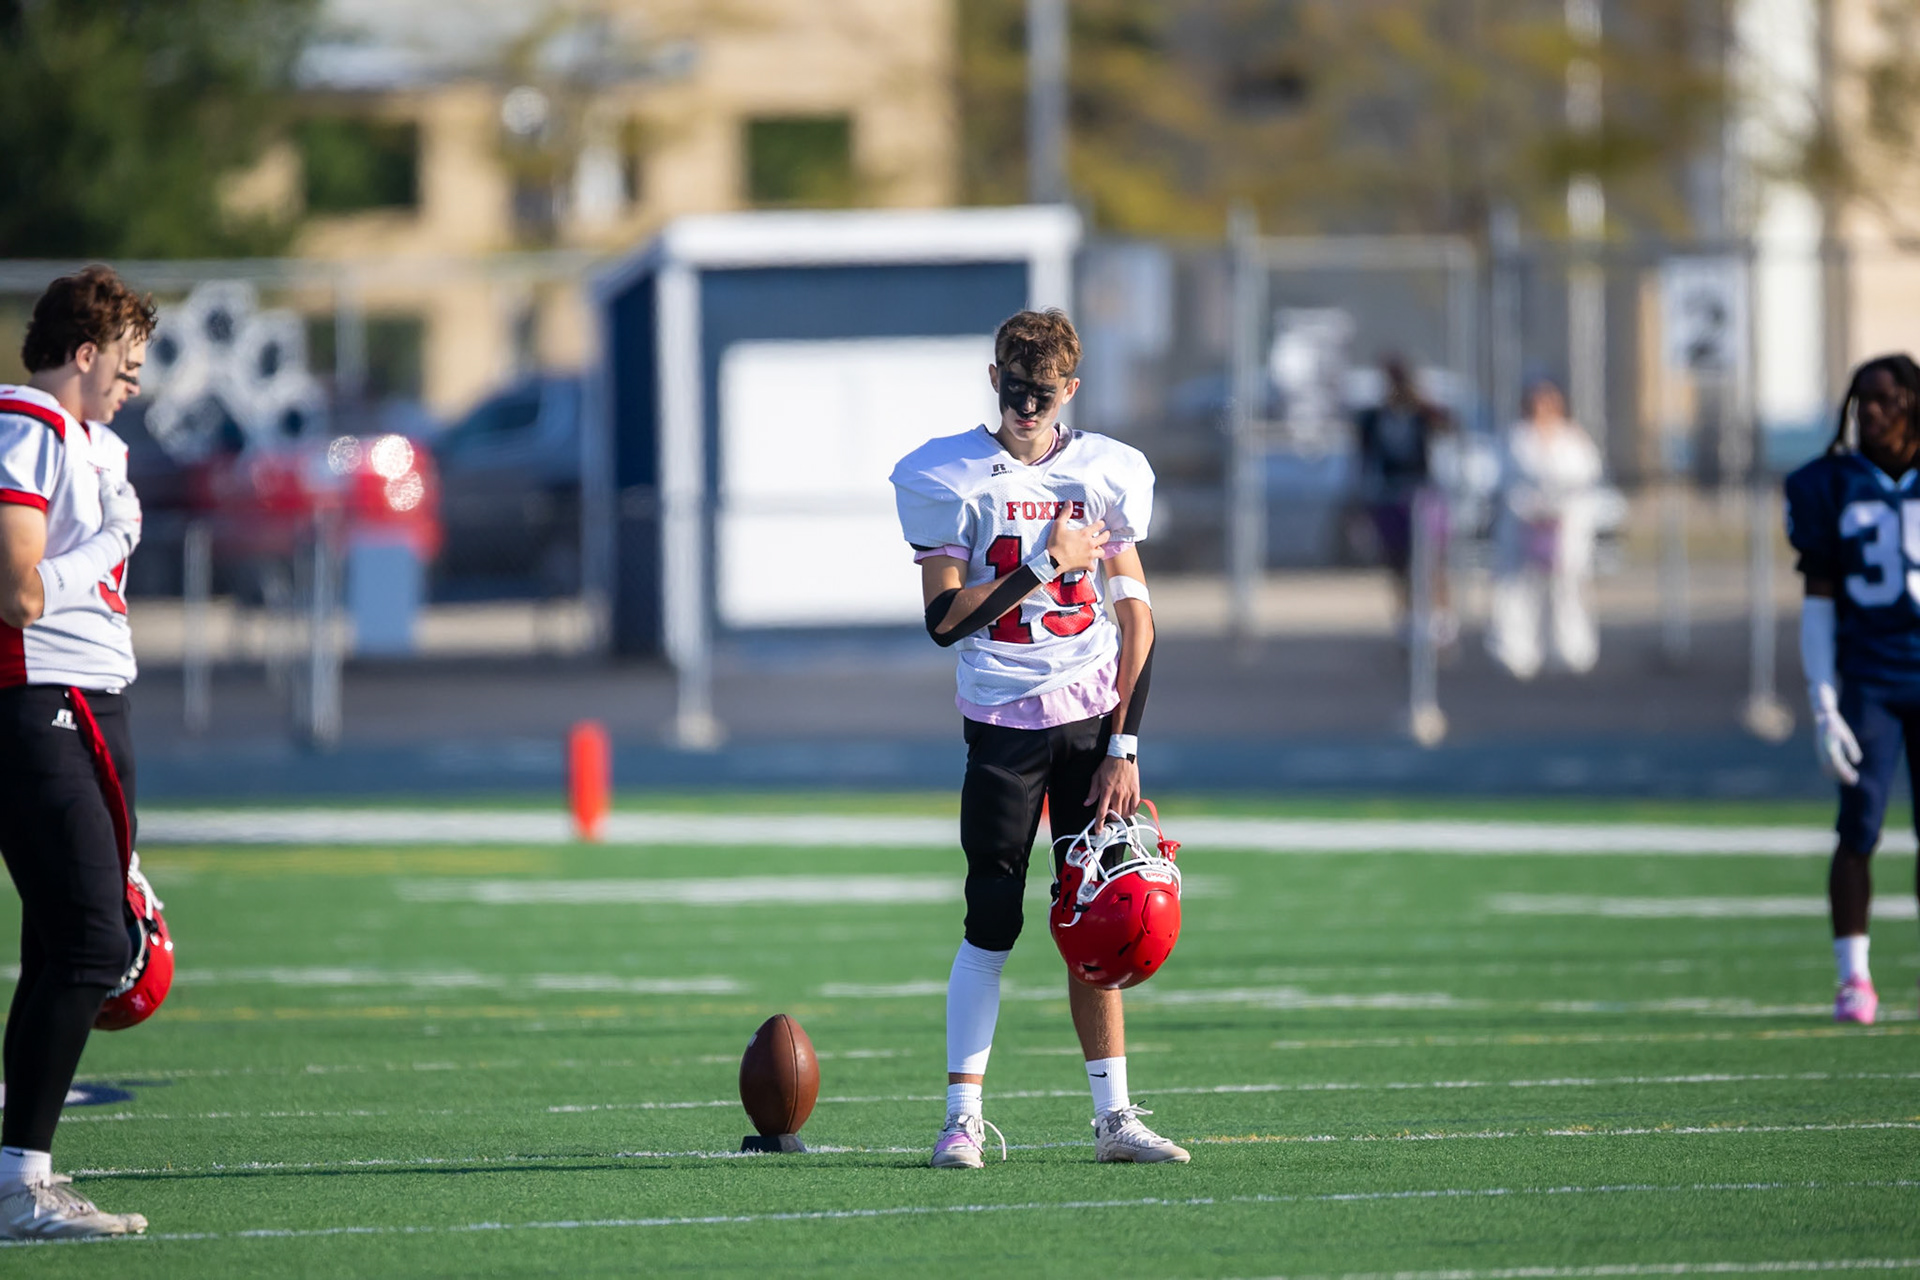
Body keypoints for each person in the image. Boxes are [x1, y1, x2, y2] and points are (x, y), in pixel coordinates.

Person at [889, 308, 1186, 1168]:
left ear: (1070, 391)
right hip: (1003, 726)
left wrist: (1125, 747)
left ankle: (1115, 1118)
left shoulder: (1107, 471)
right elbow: (945, 620)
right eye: (1015, 390)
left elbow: (1139, 621)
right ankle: (961, 1120)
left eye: (1043, 395)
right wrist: (1045, 564)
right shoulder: (949, 474)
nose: (1026, 408)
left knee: (1104, 911)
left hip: (1090, 722)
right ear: (994, 380)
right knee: (991, 920)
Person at [0, 265, 153, 1239]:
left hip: (95, 697)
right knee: (94, 942)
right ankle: (19, 1181)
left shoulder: (99, 444)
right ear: (84, 352)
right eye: (126, 363)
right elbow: (17, 592)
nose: (136, 381)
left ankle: (20, 1177)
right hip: (37, 694)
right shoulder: (28, 422)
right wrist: (112, 542)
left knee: (65, 941)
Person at [1782, 353, 1920, 1025]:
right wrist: (1823, 702)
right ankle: (1853, 978)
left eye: (1886, 400)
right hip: (1871, 677)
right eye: (1862, 399)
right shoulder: (1830, 483)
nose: (1871, 411)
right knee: (1859, 826)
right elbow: (1818, 600)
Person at [1486, 378, 1603, 680]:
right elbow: (1507, 480)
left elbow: (1586, 478)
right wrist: (1531, 508)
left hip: (1565, 528)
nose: (1544, 408)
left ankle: (1571, 650)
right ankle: (1516, 651)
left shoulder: (1573, 439)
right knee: (1518, 590)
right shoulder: (1516, 437)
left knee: (1567, 589)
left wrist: (1558, 508)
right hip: (1523, 526)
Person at [1354, 356, 1454, 645]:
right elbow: (1363, 457)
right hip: (1389, 494)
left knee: (1432, 560)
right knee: (1398, 561)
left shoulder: (1422, 414)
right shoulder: (1374, 418)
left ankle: (1441, 621)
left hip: (1422, 493)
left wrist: (1423, 402)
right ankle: (1408, 620)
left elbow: (1447, 425)